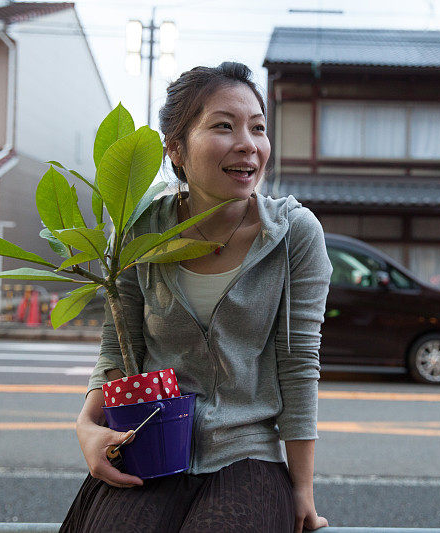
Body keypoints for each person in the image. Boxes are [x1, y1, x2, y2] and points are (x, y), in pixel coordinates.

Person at [60, 62, 333, 533]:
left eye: (259, 128)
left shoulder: (294, 234)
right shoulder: (137, 228)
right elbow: (118, 347)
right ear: (176, 149)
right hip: (148, 440)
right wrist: (87, 426)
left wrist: (302, 491)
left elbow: (299, 363)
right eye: (224, 126)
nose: (249, 144)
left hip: (247, 455)